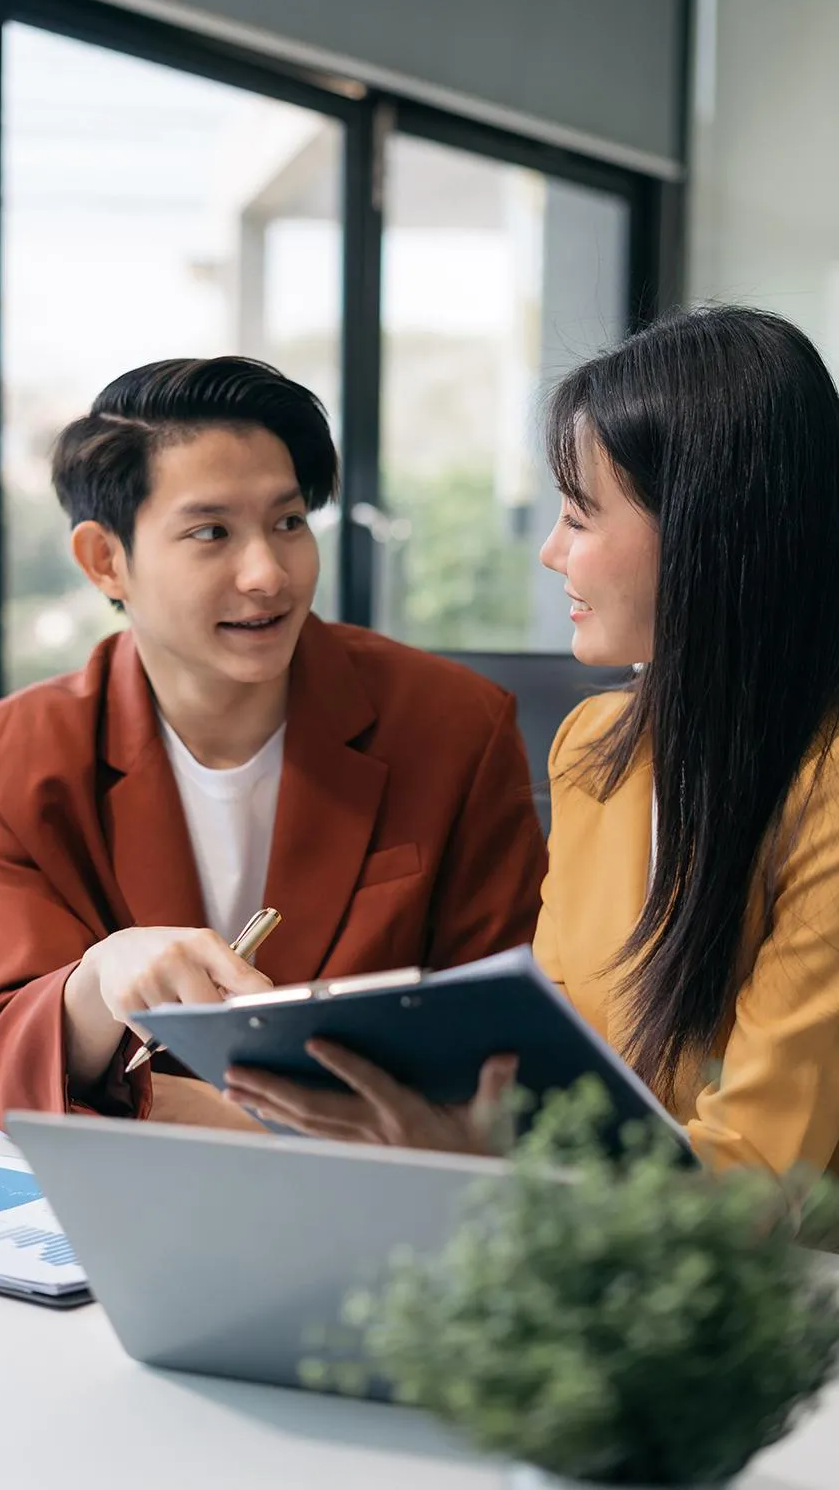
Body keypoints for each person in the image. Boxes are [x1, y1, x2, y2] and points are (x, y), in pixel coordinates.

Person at [225, 307, 839, 1178]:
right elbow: (554, 1063)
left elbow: (753, 1186)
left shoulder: (825, 792)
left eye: (580, 516)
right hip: (572, 1245)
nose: (552, 553)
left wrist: (494, 1151)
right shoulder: (596, 747)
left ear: (710, 529)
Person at [0, 356, 546, 1130]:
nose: (269, 573)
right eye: (212, 532)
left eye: (289, 522)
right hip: (147, 1196)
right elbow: (1, 1059)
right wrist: (97, 981)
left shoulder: (450, 724)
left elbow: (513, 1041)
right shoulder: (21, 755)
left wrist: (247, 1117)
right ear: (106, 560)